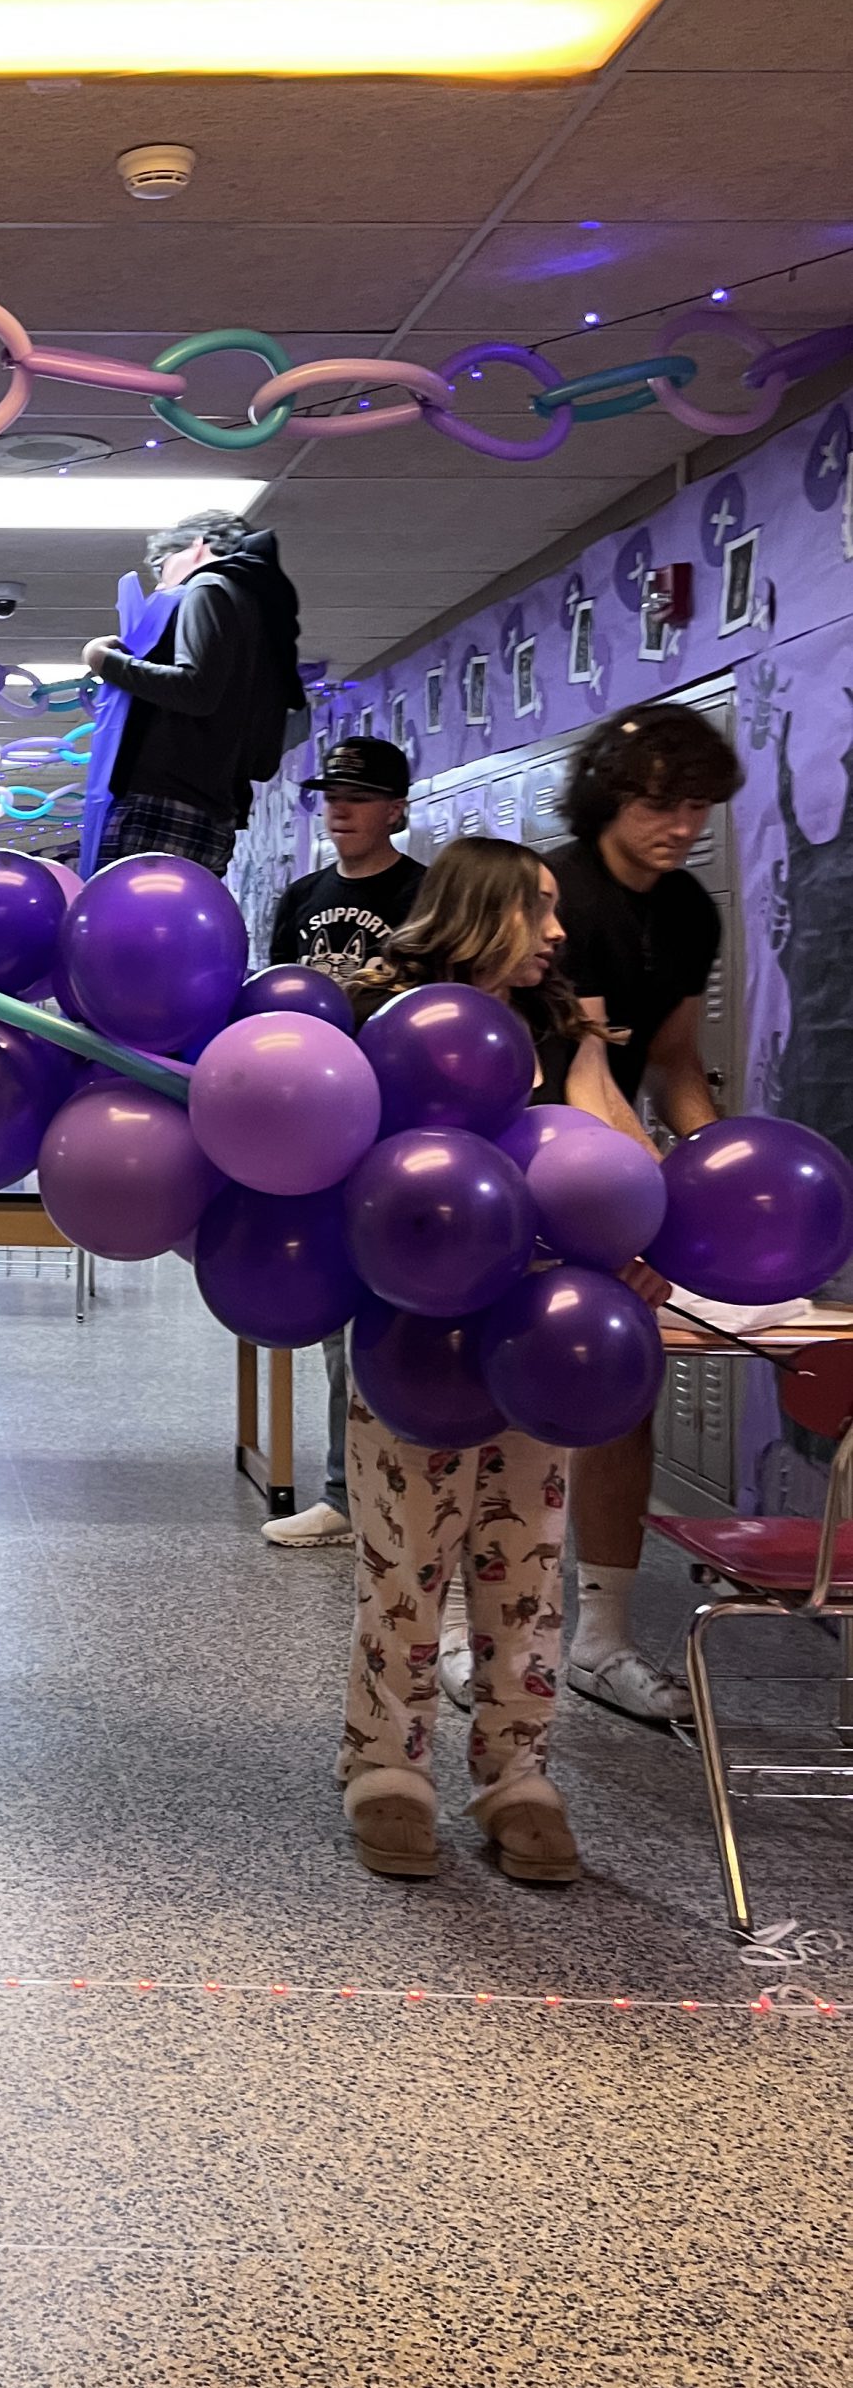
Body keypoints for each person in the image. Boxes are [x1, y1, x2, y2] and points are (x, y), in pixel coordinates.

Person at [338, 836, 654, 1884]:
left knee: (523, 1569)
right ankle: (387, 1768)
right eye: (540, 907)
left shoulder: (563, 1024)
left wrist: (640, 1241)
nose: (559, 932)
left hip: (539, 1337)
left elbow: (614, 1159)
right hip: (413, 1338)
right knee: (407, 1559)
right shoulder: (384, 1012)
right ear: (482, 907)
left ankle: (518, 1773)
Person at [548, 705, 746, 1727]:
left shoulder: (689, 915)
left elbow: (668, 1061)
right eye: (662, 802)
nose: (683, 824)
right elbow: (582, 1072)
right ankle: (461, 1626)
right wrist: (636, 1204)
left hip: (614, 1166)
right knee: (497, 1401)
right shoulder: (553, 895)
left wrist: (716, 1167)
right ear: (610, 797)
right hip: (528, 1158)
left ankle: (600, 1638)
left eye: (699, 805)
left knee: (623, 1390)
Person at [260, 737, 427, 1549]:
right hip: (316, 1126)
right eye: (331, 793)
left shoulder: (424, 894)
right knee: (332, 1317)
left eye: (359, 795)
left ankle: (411, 1491)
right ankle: (342, 1493)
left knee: (406, 1310)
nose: (340, 807)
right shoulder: (300, 896)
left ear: (396, 807)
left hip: (398, 1120)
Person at [78, 513, 306, 877]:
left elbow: (195, 689)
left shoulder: (208, 588)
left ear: (199, 546)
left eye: (162, 564)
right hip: (215, 816)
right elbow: (264, 760)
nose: (162, 581)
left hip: (162, 804)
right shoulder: (263, 619)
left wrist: (104, 661)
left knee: (124, 928)